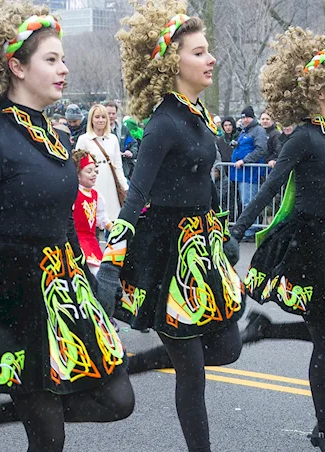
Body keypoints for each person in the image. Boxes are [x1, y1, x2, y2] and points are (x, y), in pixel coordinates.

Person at [0, 5, 133, 450]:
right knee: (48, 438)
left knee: (118, 400)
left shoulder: (52, 134)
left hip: (65, 290)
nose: (64, 69)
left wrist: (90, 287)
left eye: (63, 59)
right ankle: (8, 412)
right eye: (51, 60)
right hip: (15, 295)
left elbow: (64, 220)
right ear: (16, 66)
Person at [105, 3, 244, 450]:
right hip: (168, 257)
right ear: (173, 62)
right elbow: (138, 193)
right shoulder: (164, 122)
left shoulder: (196, 114)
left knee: (227, 349)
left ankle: (144, 361)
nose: (211, 60)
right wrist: (112, 262)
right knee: (194, 372)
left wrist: (220, 235)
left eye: (208, 51)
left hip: (204, 250)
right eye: (200, 52)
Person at [230, 28, 325, 451]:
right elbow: (271, 186)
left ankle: (268, 331)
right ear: (320, 90)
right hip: (305, 248)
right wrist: (238, 231)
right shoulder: (305, 136)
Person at [76, 103, 127, 222]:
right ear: (91, 119)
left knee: (112, 221)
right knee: (93, 220)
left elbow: (118, 165)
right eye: (97, 117)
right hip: (92, 184)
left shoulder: (113, 139)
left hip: (111, 185)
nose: (101, 120)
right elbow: (77, 166)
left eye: (103, 117)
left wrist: (123, 185)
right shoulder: (83, 139)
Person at [231, 105, 269, 239]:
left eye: (247, 117)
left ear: (252, 117)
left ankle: (251, 231)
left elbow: (261, 150)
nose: (245, 120)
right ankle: (248, 230)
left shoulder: (258, 130)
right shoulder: (244, 131)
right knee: (244, 202)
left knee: (249, 203)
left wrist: (245, 160)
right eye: (243, 118)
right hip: (242, 174)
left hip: (251, 174)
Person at [72, 150, 109, 276]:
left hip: (92, 242)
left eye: (95, 171)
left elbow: (101, 218)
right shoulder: (73, 194)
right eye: (89, 171)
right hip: (76, 241)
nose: (93, 174)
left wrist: (111, 226)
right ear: (78, 175)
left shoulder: (96, 196)